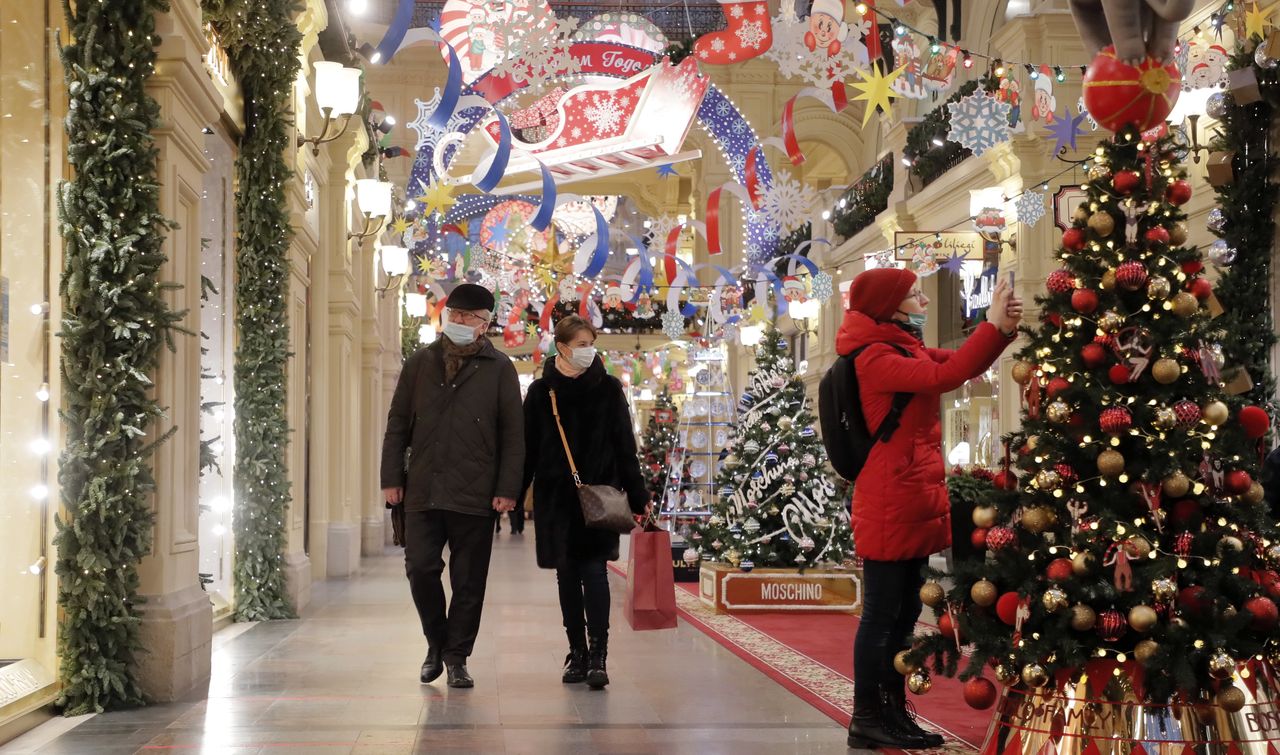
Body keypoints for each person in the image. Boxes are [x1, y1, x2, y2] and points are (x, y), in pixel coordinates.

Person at [835, 268, 1022, 749]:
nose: (922, 296)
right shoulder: (875, 356)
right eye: (912, 291)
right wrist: (993, 325)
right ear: (888, 306)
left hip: (908, 496)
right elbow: (948, 374)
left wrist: (998, 329)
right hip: (889, 499)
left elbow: (963, 363)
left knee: (901, 615)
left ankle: (892, 710)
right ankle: (868, 715)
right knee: (882, 613)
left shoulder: (900, 346)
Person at [380, 283, 524, 689]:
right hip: (422, 489)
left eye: (470, 317)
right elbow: (397, 425)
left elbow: (514, 435)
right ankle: (435, 643)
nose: (460, 322)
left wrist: (507, 488)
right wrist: (391, 477)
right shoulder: (420, 363)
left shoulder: (499, 369)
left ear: (485, 324)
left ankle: (457, 657)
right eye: (455, 314)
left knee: (469, 581)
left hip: (477, 494)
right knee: (421, 569)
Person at [520, 315, 648, 689]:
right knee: (566, 577)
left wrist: (638, 494)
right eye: (580, 345)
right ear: (561, 348)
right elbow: (528, 451)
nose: (588, 352)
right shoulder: (543, 393)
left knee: (594, 573)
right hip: (557, 500)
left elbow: (626, 446)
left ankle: (598, 654)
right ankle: (575, 651)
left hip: (600, 498)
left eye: (591, 344)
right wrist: (511, 493)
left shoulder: (608, 389)